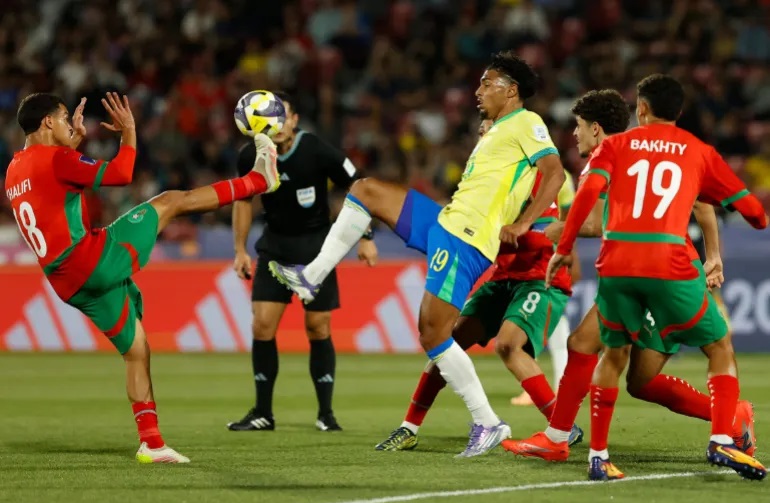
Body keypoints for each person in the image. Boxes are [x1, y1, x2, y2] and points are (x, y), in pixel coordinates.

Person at [271, 51, 567, 457]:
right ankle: (312, 276)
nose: (477, 90)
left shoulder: (528, 122)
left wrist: (523, 222)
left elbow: (555, 172)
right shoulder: (496, 129)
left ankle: (487, 422)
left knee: (433, 333)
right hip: (446, 220)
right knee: (365, 190)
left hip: (467, 237)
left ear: (511, 90)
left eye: (487, 82)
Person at [4, 92, 280, 463]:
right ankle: (259, 181)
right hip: (90, 260)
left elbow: (54, 183)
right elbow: (121, 174)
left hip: (66, 282)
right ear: (48, 122)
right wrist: (129, 132)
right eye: (65, 116)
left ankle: (151, 443)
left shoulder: (14, 170)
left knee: (136, 350)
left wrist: (75, 140)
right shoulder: (57, 159)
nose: (71, 123)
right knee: (169, 202)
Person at [504, 88, 756, 471]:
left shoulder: (619, 152)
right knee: (614, 364)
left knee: (612, 359)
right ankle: (558, 437)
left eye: (578, 127)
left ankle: (731, 419)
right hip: (642, 270)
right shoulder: (644, 151)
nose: (574, 136)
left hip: (662, 275)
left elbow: (701, 205)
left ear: (596, 128)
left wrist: (550, 233)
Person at [375, 118, 584, 452]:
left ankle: (562, 425)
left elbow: (549, 235)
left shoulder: (541, 179)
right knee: (445, 345)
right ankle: (408, 427)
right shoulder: (487, 182)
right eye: (484, 131)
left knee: (508, 344)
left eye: (493, 130)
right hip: (503, 279)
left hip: (539, 278)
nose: (485, 135)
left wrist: (507, 236)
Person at [227, 92, 378, 433]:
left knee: (318, 328)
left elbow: (359, 186)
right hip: (274, 250)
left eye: (284, 116)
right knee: (262, 326)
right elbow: (242, 200)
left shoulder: (316, 150)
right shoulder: (251, 155)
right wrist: (239, 249)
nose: (277, 123)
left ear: (294, 120)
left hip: (317, 252)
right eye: (271, 118)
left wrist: (366, 237)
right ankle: (262, 413)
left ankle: (326, 414)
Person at [511, 171, 576, 406]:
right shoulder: (559, 176)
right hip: (527, 254)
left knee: (539, 324)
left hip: (545, 253)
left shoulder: (559, 177)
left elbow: (568, 219)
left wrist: (568, 252)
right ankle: (547, 386)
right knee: (529, 324)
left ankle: (551, 387)